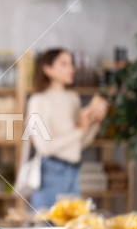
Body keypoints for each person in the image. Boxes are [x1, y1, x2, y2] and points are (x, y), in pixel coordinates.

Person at [24, 48, 107, 210]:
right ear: (48, 69)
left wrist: (95, 123)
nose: (71, 69)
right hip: (50, 174)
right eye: (64, 64)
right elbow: (45, 147)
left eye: (71, 64)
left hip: (74, 173)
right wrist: (80, 130)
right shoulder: (38, 100)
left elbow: (79, 144)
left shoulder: (73, 99)